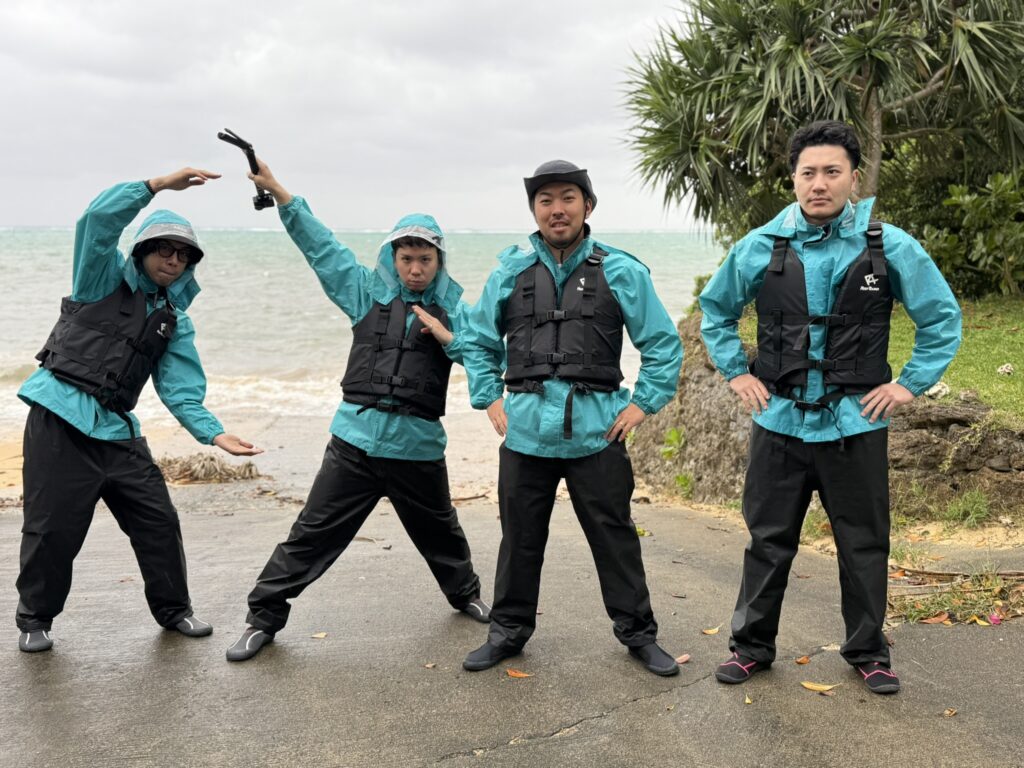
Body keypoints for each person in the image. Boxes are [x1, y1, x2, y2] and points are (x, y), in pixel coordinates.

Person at [699, 121, 962, 694]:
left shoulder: (890, 246)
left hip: (855, 422)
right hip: (779, 421)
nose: (819, 184)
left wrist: (908, 385)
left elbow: (942, 319)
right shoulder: (760, 246)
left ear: (854, 179)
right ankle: (750, 647)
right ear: (794, 179)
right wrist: (738, 373)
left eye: (832, 172)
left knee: (863, 543)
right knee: (768, 540)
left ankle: (868, 651)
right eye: (808, 173)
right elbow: (715, 311)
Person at [225, 160, 490, 662]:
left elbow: (482, 359)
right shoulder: (364, 293)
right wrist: (280, 193)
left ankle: (466, 595)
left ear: (439, 262)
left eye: (425, 260)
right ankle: (262, 619)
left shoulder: (457, 311)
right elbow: (321, 248)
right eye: (406, 258)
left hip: (417, 449)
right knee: (311, 535)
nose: (415, 269)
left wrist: (447, 338)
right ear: (393, 258)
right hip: (355, 445)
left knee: (441, 531)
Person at [16, 167, 263, 654]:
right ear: (143, 250)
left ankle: (175, 611)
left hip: (117, 431)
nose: (173, 259)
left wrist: (214, 434)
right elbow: (96, 221)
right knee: (51, 530)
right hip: (58, 420)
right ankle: (35, 620)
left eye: (183, 254)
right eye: (164, 249)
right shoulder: (98, 279)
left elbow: (181, 390)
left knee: (158, 521)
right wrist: (156, 186)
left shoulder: (174, 321)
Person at [460, 160, 684, 676]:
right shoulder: (510, 271)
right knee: (519, 541)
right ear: (534, 210)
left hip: (597, 434)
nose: (556, 209)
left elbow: (662, 345)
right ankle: (507, 632)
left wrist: (642, 404)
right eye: (545, 200)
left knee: (615, 538)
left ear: (588, 205)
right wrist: (489, 397)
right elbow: (477, 339)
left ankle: (638, 635)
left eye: (567, 198)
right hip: (525, 435)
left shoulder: (621, 270)